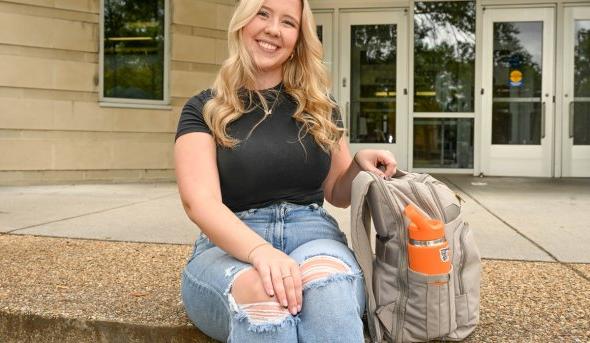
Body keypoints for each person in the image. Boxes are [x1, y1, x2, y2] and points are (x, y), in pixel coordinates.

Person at [174, 0, 397, 341]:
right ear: (242, 23)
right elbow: (200, 204)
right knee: (264, 297)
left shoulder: (320, 106)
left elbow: (337, 193)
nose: (273, 29)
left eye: (288, 22)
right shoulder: (203, 108)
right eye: (263, 13)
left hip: (314, 235)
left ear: (298, 39)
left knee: (328, 290)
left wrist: (357, 165)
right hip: (229, 246)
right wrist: (260, 252)